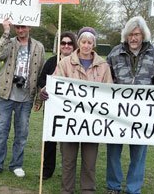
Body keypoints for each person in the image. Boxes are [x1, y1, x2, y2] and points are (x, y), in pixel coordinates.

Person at [105, 16, 154, 194]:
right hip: (116, 112)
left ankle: (134, 189)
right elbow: (105, 78)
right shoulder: (115, 53)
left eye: (137, 34)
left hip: (143, 113)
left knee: (139, 154)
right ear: (125, 36)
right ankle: (113, 186)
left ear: (143, 36)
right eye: (130, 34)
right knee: (113, 152)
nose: (134, 38)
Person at [53, 27, 112, 193]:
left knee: (89, 161)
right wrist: (45, 91)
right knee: (68, 160)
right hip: (69, 121)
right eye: (83, 42)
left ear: (94, 44)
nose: (86, 45)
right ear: (79, 42)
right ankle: (67, 190)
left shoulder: (103, 66)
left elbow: (109, 91)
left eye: (90, 42)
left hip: (92, 122)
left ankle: (87, 190)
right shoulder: (65, 63)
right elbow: (55, 84)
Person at [0, 18, 45, 178]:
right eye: (17, 27)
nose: (20, 30)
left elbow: (41, 74)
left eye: (22, 26)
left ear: (29, 26)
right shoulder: (9, 42)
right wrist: (5, 32)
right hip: (5, 95)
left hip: (26, 97)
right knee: (0, 132)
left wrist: (38, 98)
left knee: (22, 134)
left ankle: (16, 165)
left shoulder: (39, 46)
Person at [36, 31, 78, 180]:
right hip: (52, 107)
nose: (66, 46)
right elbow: (41, 80)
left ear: (74, 45)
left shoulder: (77, 62)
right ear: (59, 45)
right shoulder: (51, 61)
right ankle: (47, 170)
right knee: (49, 140)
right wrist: (43, 89)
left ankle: (68, 172)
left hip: (71, 108)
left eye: (69, 43)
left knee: (69, 142)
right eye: (63, 43)